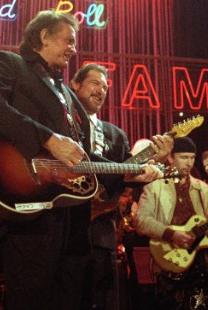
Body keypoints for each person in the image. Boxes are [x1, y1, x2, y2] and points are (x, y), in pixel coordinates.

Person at [0, 10, 161, 310]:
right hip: (28, 214)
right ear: (43, 37)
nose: (74, 48)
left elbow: (85, 157)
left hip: (73, 223)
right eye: (68, 40)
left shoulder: (69, 96)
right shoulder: (11, 63)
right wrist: (48, 139)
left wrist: (129, 172)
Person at [67, 62, 173, 309]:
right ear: (75, 85)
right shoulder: (62, 126)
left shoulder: (115, 134)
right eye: (94, 83)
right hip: (66, 225)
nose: (101, 90)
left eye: (105, 87)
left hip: (103, 231)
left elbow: (128, 177)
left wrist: (153, 162)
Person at [135, 137, 208, 309]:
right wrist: (171, 234)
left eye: (192, 158)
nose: (189, 163)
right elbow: (141, 220)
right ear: (171, 158)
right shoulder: (155, 186)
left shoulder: (204, 190)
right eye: (184, 157)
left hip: (200, 261)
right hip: (167, 258)